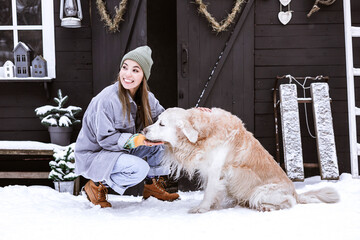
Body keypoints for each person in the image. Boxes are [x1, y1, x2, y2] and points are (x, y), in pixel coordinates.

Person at [74, 46, 179, 208]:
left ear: (144, 75)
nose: (127, 74)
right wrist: (137, 140)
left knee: (161, 142)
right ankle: (95, 185)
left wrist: (192, 116)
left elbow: (165, 119)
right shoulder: (107, 100)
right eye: (125, 67)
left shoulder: (147, 98)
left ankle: (152, 187)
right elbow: (106, 140)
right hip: (97, 154)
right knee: (139, 169)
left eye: (135, 70)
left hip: (120, 149)